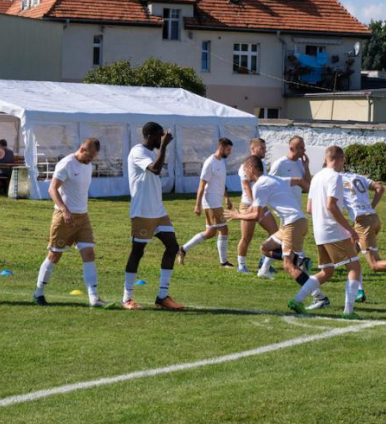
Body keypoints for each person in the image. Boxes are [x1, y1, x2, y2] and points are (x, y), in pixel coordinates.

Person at [319, 170, 386, 307]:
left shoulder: (337, 180)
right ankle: (359, 291)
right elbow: (380, 187)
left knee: (374, 263)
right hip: (373, 218)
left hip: (363, 223)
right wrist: (371, 206)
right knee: (350, 255)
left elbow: (332, 204)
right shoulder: (357, 176)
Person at [228, 156, 317, 308]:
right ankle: (299, 261)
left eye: (245, 170)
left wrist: (238, 215)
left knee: (288, 266)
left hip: (292, 224)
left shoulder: (259, 186)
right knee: (265, 247)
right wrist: (313, 194)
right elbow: (299, 181)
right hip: (298, 222)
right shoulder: (274, 179)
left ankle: (319, 297)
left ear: (251, 169)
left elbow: (257, 216)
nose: (244, 174)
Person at [33, 138, 113, 308]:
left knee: (89, 253)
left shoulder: (88, 165)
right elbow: (52, 189)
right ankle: (39, 292)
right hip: (64, 218)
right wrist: (64, 209)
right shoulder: (67, 164)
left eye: (93, 157)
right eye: (89, 156)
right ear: (82, 149)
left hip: (83, 217)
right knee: (54, 255)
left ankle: (93, 297)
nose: (91, 160)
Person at [122, 122, 184, 311]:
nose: (161, 140)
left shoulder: (151, 152)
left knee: (172, 247)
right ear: (149, 136)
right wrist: (164, 146)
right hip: (142, 211)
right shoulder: (137, 151)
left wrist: (162, 147)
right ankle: (127, 298)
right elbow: (155, 169)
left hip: (158, 211)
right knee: (138, 251)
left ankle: (162, 296)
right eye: (159, 136)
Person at [300, 146, 362, 318]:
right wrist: (350, 229)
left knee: (327, 272)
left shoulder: (317, 177)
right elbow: (331, 205)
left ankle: (297, 300)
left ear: (326, 158)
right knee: (355, 266)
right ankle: (348, 310)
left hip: (319, 231)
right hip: (333, 230)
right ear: (341, 159)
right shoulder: (335, 177)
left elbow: (309, 208)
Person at [179, 138, 235, 269]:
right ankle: (224, 262)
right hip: (211, 200)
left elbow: (221, 182)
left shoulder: (221, 162)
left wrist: (227, 198)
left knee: (210, 233)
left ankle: (183, 249)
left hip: (217, 200)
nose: (230, 153)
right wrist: (197, 204)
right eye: (228, 150)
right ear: (221, 148)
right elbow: (202, 184)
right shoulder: (210, 162)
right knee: (224, 229)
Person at [269, 135, 312, 270]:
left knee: (285, 238)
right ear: (291, 148)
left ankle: (265, 264)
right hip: (284, 208)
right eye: (300, 147)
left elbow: (308, 184)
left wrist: (306, 166)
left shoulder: (300, 163)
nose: (303, 150)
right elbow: (269, 182)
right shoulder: (280, 164)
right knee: (291, 237)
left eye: (304, 147)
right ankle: (301, 263)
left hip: (296, 207)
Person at [236, 138, 279, 274]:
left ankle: (264, 263)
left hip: (261, 206)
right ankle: (241, 266)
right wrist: (254, 205)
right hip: (248, 206)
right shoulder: (245, 166)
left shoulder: (263, 165)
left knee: (275, 233)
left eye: (265, 148)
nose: (265, 150)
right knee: (246, 237)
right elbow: (246, 187)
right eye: (262, 148)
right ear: (253, 149)